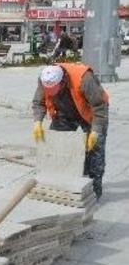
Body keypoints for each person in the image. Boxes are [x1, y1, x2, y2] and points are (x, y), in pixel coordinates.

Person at [33, 64, 110, 199]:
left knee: (95, 154)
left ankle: (93, 191)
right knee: (56, 148)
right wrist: (38, 122)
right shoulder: (44, 79)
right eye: (48, 90)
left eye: (53, 90)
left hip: (90, 114)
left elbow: (100, 106)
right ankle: (59, 185)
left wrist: (96, 131)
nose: (50, 93)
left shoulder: (85, 79)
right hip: (64, 113)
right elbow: (39, 102)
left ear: (63, 82)